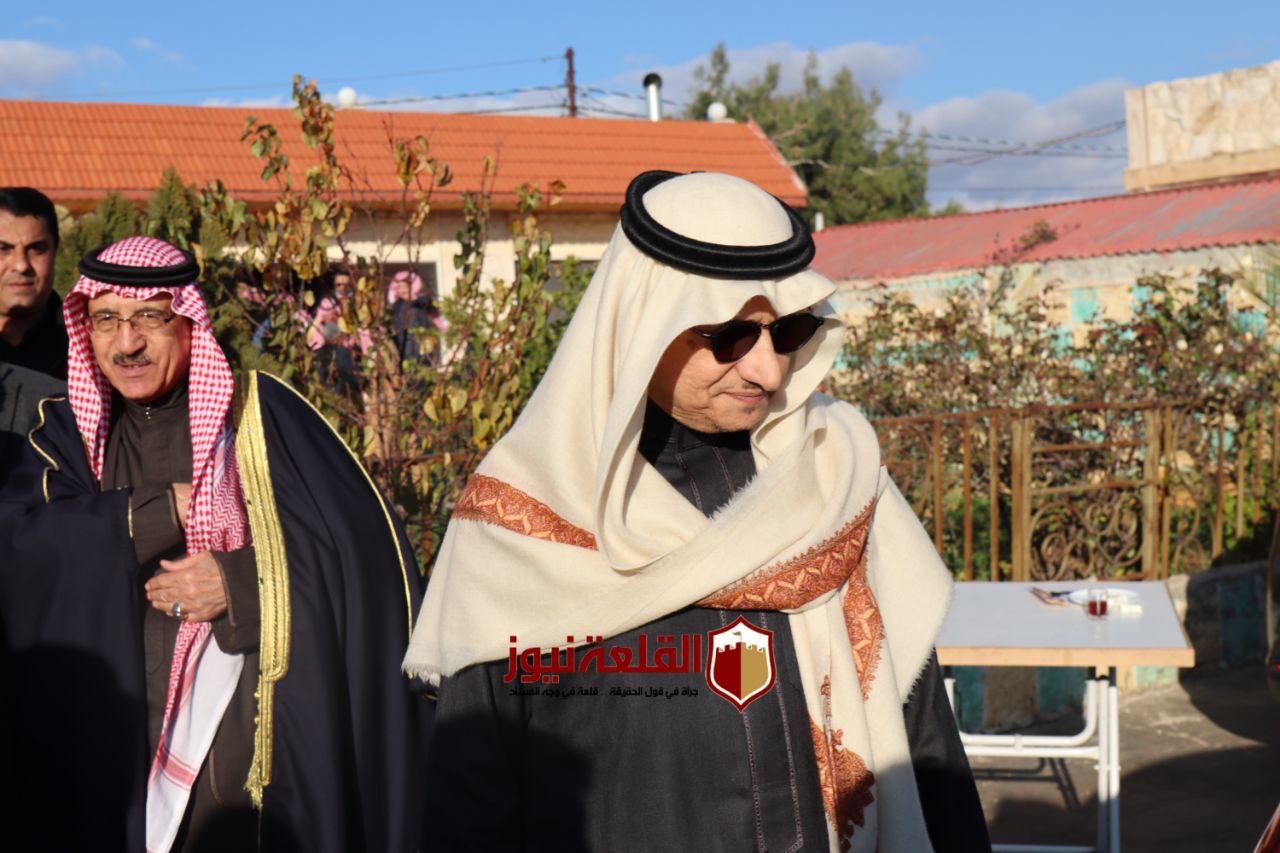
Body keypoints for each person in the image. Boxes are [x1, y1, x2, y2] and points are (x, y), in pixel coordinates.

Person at [404, 171, 989, 851]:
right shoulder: (519, 521)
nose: (769, 372)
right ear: (643, 321)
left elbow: (925, 743)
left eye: (788, 332)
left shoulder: (838, 472)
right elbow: (470, 806)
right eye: (730, 336)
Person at [0, 236, 429, 852]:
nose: (126, 343)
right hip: (104, 773)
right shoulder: (62, 436)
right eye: (107, 320)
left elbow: (365, 563)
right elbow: (23, 553)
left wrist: (243, 584)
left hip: (240, 785)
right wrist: (152, 513)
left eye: (150, 318)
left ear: (188, 323)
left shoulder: (264, 421)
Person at [0, 187, 68, 476]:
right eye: (3, 249)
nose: (21, 265)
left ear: (55, 252)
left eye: (36, 249)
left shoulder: (89, 352)